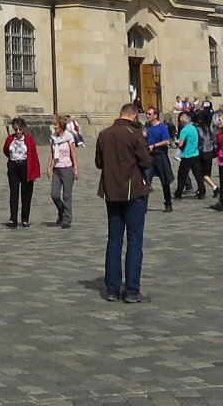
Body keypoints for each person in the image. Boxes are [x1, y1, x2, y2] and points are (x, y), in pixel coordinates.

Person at [94, 101, 153, 303]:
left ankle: (111, 289)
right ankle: (131, 291)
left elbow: (98, 163)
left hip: (111, 192)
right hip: (133, 192)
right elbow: (146, 161)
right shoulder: (134, 133)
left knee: (114, 240)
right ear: (134, 116)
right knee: (135, 240)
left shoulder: (104, 134)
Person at [2, 116, 41, 228]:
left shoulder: (29, 140)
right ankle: (13, 219)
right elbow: (6, 150)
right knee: (14, 193)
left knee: (26, 194)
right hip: (13, 167)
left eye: (20, 129)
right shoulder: (10, 139)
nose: (18, 132)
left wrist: (34, 172)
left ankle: (25, 219)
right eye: (16, 129)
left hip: (25, 167)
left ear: (23, 129)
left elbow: (33, 156)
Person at [49, 114, 79, 228]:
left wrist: (75, 168)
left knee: (67, 195)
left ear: (61, 125)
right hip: (57, 168)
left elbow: (73, 153)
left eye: (55, 124)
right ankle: (61, 210)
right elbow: (51, 153)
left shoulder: (69, 137)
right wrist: (49, 166)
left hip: (67, 167)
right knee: (54, 194)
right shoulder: (53, 137)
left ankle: (67, 219)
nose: (54, 126)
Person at [143, 109, 176, 211]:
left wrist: (155, 145)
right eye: (147, 114)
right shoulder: (148, 126)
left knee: (165, 181)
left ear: (155, 115)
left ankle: (168, 204)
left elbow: (167, 141)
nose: (147, 116)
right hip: (150, 157)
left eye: (149, 114)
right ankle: (142, 206)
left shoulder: (162, 127)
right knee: (146, 181)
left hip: (160, 156)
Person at [173, 112, 204, 200]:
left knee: (181, 175)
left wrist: (177, 143)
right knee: (198, 174)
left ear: (182, 122)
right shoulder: (194, 128)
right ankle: (202, 191)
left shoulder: (184, 130)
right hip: (196, 153)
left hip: (187, 155)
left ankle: (178, 193)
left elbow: (180, 144)